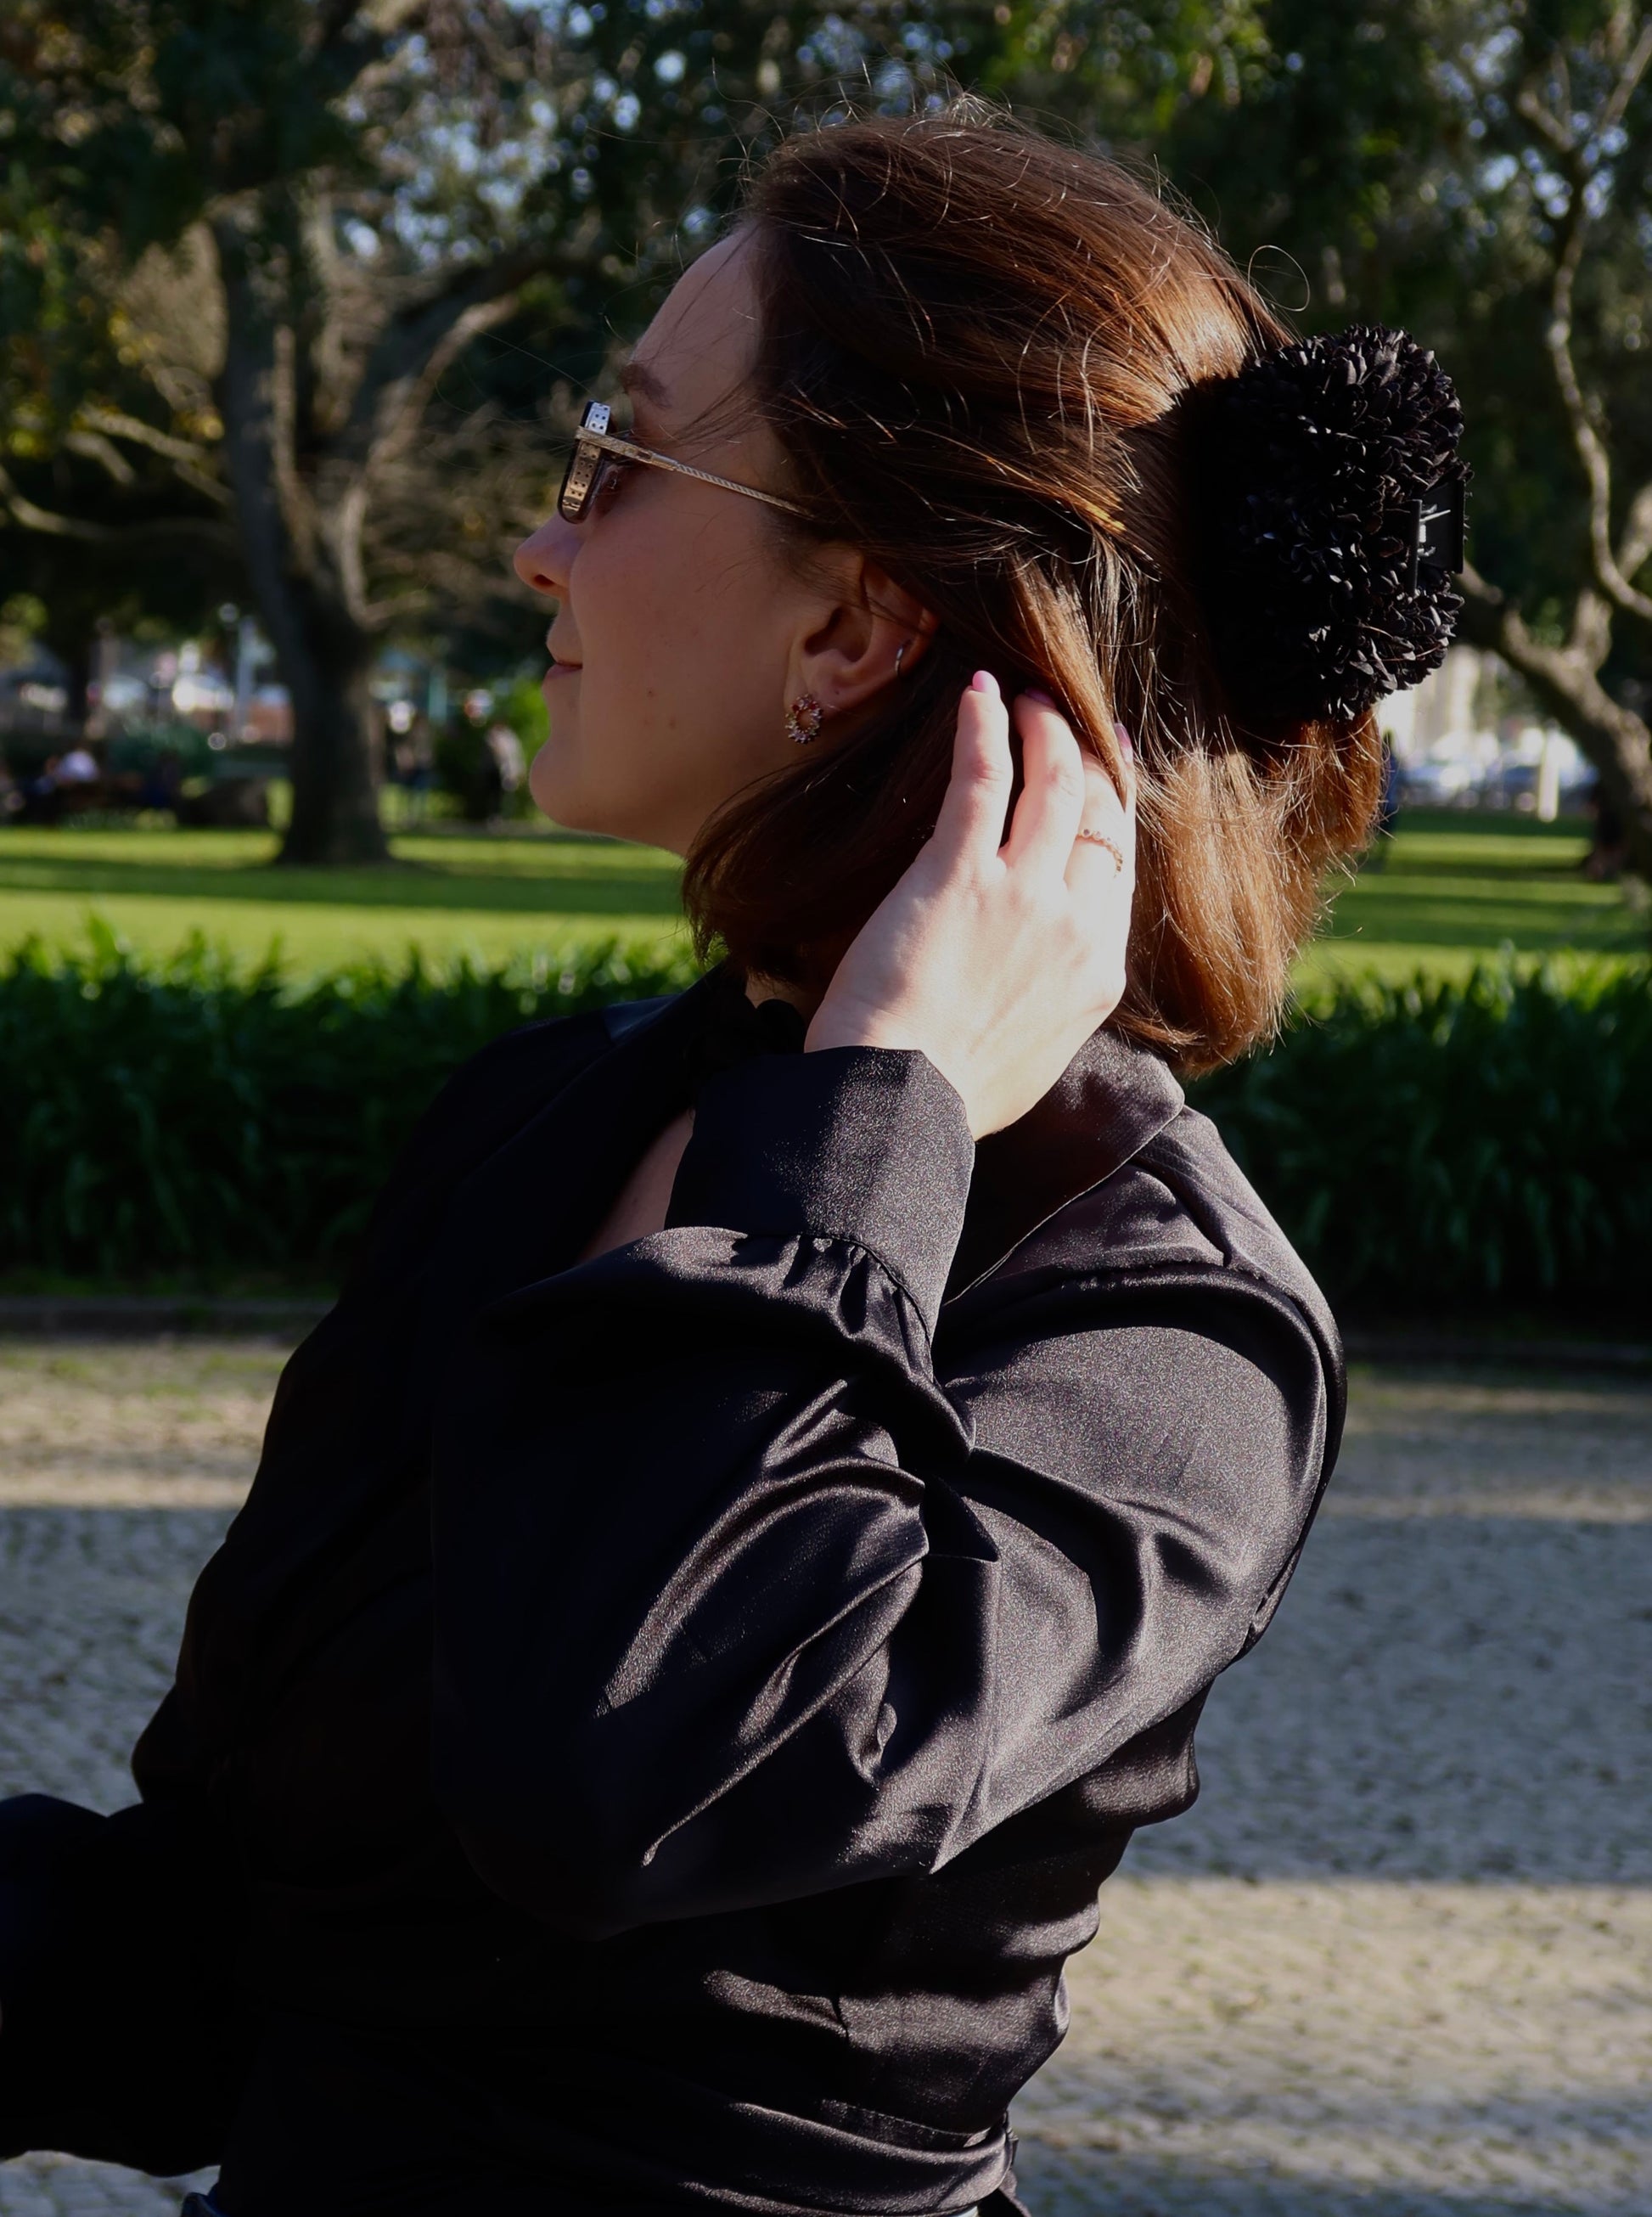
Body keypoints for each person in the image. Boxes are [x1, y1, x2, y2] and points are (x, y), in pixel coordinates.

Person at [0, 110, 1464, 2217]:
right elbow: (245, 1952)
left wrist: (875, 1112)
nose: (542, 548)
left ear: (854, 628)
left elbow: (628, 1760)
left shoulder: (1157, 1329)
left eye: (617, 456)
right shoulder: (550, 1114)